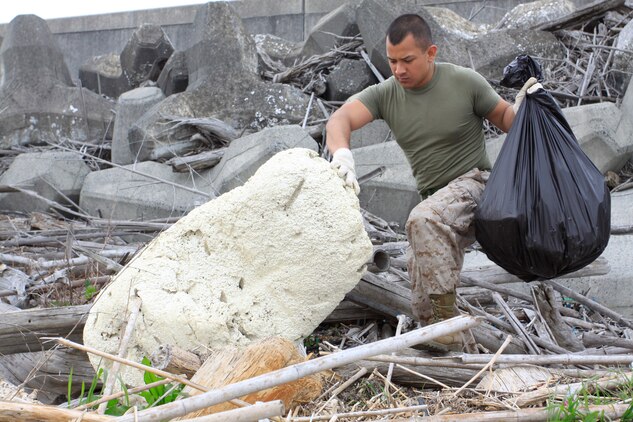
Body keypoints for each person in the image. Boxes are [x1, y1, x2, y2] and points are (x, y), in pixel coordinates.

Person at [326, 13, 541, 351]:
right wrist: (341, 154)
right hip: (436, 201)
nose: (398, 70)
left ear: (431, 53)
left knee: (421, 219)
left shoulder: (464, 82)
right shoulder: (386, 94)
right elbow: (341, 118)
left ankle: (449, 326)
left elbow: (506, 119)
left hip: (476, 187)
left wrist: (533, 108)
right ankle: (463, 357)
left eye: (407, 60)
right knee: (422, 298)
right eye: (393, 61)